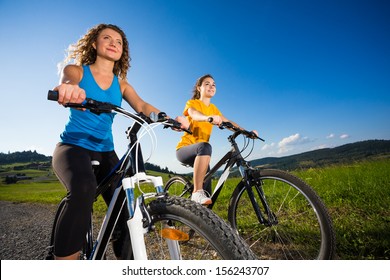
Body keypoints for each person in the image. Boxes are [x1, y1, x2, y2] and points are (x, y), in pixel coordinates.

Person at [51, 23, 188, 260]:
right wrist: (69, 89)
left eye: (119, 41)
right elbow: (68, 81)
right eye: (107, 38)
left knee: (127, 210)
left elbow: (143, 106)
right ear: (94, 43)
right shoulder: (78, 71)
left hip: (106, 151)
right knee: (84, 190)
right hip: (73, 147)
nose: (114, 43)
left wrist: (166, 118)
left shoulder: (121, 84)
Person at [176, 74, 257, 205]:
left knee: (208, 198)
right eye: (207, 83)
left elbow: (228, 122)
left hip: (202, 154)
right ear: (199, 88)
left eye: (213, 84)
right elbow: (194, 114)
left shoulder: (213, 108)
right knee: (205, 146)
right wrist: (207, 118)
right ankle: (196, 191)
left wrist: (247, 132)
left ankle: (199, 219)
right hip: (184, 149)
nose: (211, 86)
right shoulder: (192, 103)